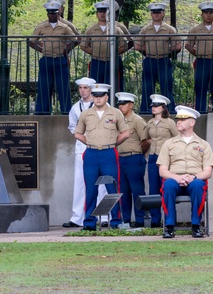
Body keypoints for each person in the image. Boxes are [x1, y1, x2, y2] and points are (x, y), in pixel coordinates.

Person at [74, 83, 130, 231]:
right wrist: (91, 142)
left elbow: (125, 133)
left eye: (101, 96)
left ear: (106, 97)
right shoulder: (86, 114)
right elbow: (77, 133)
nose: (98, 99)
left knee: (112, 187)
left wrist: (112, 143)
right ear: (92, 96)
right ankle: (89, 223)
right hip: (91, 154)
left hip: (108, 153)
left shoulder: (115, 113)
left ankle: (116, 221)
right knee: (91, 190)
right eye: (96, 96)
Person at [157, 106, 213, 238]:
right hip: (174, 179)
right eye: (178, 119)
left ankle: (196, 225)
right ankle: (170, 226)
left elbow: (207, 172)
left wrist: (193, 177)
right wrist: (177, 178)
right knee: (168, 185)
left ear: (192, 122)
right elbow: (162, 170)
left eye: (183, 119)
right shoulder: (169, 144)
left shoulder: (203, 144)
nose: (178, 122)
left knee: (198, 185)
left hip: (194, 180)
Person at [64, 77, 108, 228]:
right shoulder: (75, 108)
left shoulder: (102, 105)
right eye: (80, 88)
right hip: (82, 147)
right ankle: (77, 217)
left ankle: (103, 216)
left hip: (100, 148)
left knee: (101, 183)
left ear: (92, 89)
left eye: (85, 88)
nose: (82, 90)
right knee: (80, 182)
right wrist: (85, 138)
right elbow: (72, 127)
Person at [30, 0, 78, 114]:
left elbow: (75, 40)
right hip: (46, 59)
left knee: (63, 88)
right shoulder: (41, 27)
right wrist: (41, 49)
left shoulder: (64, 27)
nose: (52, 15)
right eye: (50, 13)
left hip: (60, 59)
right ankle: (42, 113)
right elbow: (31, 41)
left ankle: (66, 113)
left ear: (58, 13)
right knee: (44, 87)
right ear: (47, 14)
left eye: (55, 13)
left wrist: (66, 49)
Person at [135, 3, 181, 111]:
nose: (156, 15)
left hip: (164, 60)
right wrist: (148, 51)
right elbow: (137, 45)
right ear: (151, 14)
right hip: (150, 60)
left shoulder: (170, 29)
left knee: (166, 87)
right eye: (154, 12)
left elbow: (178, 46)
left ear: (163, 13)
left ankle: (169, 110)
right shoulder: (145, 29)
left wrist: (167, 51)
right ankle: (145, 110)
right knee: (147, 88)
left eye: (158, 12)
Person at [115, 92, 150, 227]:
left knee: (137, 190)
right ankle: (126, 220)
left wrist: (140, 153)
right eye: (119, 104)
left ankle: (140, 220)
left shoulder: (137, 121)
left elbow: (146, 141)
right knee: (123, 192)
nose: (121, 106)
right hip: (122, 158)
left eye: (123, 104)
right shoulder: (118, 120)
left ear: (131, 105)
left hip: (134, 157)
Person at [81, 1, 131, 91]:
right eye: (100, 12)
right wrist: (95, 53)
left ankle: (113, 104)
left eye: (104, 12)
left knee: (113, 88)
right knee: (95, 87)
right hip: (96, 62)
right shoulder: (91, 30)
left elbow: (124, 45)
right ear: (97, 14)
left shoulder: (116, 29)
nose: (102, 14)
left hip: (111, 62)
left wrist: (114, 54)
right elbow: (83, 46)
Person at [144, 94, 176, 228]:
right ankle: (155, 220)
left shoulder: (170, 122)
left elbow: (177, 138)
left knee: (166, 187)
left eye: (156, 106)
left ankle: (169, 219)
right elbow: (147, 138)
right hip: (153, 156)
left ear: (163, 108)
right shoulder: (150, 123)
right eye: (152, 106)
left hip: (166, 158)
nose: (153, 108)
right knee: (153, 188)